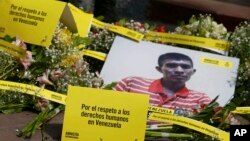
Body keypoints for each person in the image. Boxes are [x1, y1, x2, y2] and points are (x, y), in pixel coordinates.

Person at [113, 52, 212, 116]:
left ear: (193, 72)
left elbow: (221, 121)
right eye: (171, 65)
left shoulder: (200, 99)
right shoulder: (131, 83)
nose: (179, 70)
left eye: (185, 67)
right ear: (159, 69)